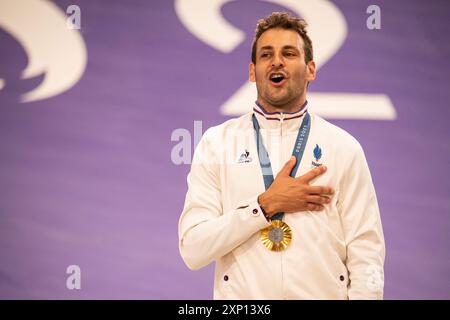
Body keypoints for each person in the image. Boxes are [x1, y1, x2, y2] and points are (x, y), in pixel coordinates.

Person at [178, 12, 385, 300]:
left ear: (311, 69)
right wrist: (264, 206)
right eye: (266, 54)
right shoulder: (217, 143)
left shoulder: (343, 147)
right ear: (253, 72)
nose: (276, 61)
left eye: (289, 53)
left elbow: (367, 251)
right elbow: (193, 249)